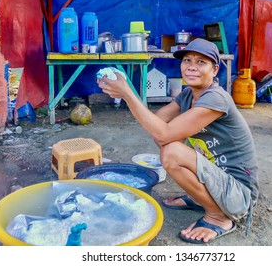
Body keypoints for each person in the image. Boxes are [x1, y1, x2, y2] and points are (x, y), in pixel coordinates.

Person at [97, 38, 259, 244]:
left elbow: (164, 133)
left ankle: (219, 217)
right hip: (218, 180)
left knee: (171, 151)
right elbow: (157, 123)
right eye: (187, 61)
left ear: (215, 70)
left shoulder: (216, 98)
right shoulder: (188, 94)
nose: (191, 67)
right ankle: (203, 198)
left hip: (239, 195)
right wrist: (126, 90)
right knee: (166, 143)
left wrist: (128, 94)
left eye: (201, 62)